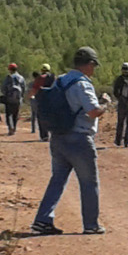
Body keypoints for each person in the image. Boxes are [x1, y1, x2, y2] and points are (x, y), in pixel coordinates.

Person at [29, 48, 107, 235]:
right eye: (94, 65)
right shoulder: (82, 84)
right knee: (89, 182)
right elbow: (93, 111)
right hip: (79, 138)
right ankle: (91, 225)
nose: (94, 69)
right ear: (89, 64)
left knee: (57, 179)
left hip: (58, 137)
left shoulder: (61, 80)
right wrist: (106, 103)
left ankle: (42, 220)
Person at [30, 63, 54, 139]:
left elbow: (34, 89)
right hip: (53, 100)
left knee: (41, 118)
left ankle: (44, 135)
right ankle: (54, 134)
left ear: (42, 70)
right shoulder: (54, 78)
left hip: (42, 101)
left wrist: (30, 96)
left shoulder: (40, 78)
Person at [1, 63, 27, 135]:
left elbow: (3, 88)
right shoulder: (21, 78)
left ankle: (10, 128)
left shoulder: (8, 77)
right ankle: (14, 128)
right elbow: (24, 88)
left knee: (9, 114)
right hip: (18, 99)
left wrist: (5, 95)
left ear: (10, 70)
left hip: (9, 99)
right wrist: (21, 97)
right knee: (15, 114)